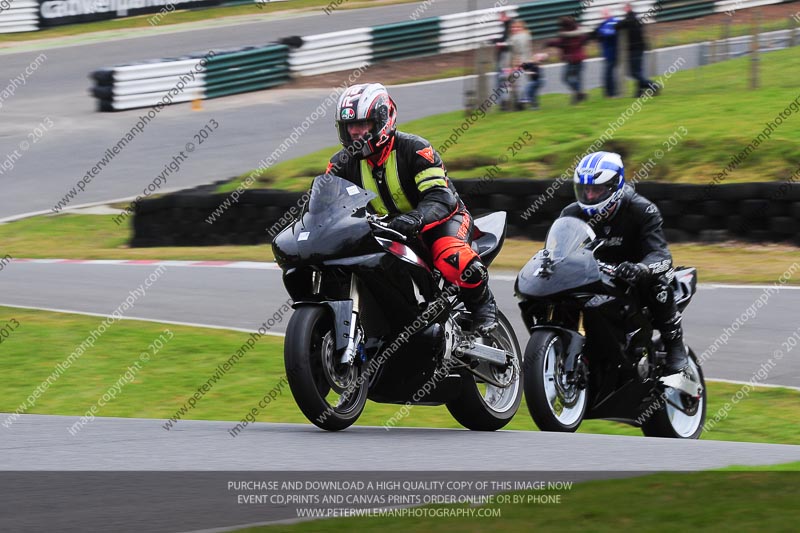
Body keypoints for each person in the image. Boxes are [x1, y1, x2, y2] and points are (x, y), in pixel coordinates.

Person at [325, 83, 498, 334]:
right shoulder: (341, 163)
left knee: (451, 256)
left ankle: (484, 306)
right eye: (349, 126)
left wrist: (416, 218)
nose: (355, 132)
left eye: (362, 124)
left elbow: (441, 196)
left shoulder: (415, 150)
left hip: (439, 221)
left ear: (383, 120)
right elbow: (322, 204)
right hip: (385, 229)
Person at [559, 151, 689, 375]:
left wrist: (640, 268)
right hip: (594, 275)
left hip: (636, 274)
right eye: (585, 189)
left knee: (658, 285)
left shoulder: (642, 210)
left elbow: (662, 257)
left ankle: (674, 345)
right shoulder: (571, 213)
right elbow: (556, 252)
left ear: (614, 186)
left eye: (596, 190)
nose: (589, 196)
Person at [546, 16, 591, 104]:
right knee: (577, 79)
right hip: (580, 58)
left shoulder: (564, 35)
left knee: (565, 78)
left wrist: (549, 43)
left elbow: (560, 44)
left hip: (571, 60)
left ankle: (579, 93)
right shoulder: (579, 32)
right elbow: (586, 38)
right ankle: (577, 98)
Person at [617, 3, 659, 97]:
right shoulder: (636, 18)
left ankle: (653, 85)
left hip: (634, 49)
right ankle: (639, 92)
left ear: (628, 8)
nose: (623, 9)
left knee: (634, 73)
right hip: (640, 48)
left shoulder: (629, 19)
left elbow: (617, 26)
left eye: (624, 8)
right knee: (638, 71)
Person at [501, 19, 533, 110]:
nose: (514, 29)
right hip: (523, 62)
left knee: (513, 83)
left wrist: (513, 64)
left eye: (517, 27)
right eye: (513, 27)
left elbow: (515, 52)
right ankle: (518, 103)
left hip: (518, 62)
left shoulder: (517, 37)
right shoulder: (526, 35)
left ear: (522, 28)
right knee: (518, 83)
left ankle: (512, 103)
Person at [591, 8, 620, 98]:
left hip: (613, 52)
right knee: (608, 73)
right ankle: (610, 92)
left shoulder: (614, 21)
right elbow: (596, 35)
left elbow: (611, 33)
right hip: (607, 53)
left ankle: (611, 93)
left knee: (608, 74)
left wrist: (601, 32)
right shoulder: (603, 24)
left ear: (609, 13)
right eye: (603, 14)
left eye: (605, 13)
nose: (604, 15)